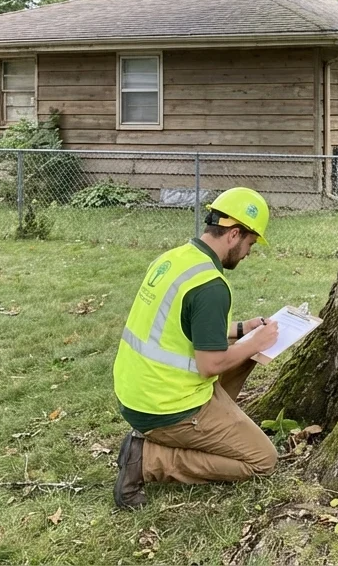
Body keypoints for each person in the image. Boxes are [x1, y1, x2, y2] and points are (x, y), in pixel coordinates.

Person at [111, 187, 281, 510]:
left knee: (244, 354)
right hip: (166, 407)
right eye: (250, 243)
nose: (248, 252)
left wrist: (243, 330)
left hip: (136, 391)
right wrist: (256, 344)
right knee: (263, 459)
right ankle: (147, 459)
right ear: (234, 234)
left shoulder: (175, 260)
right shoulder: (211, 288)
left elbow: (182, 325)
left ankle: (209, 427)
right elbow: (210, 365)